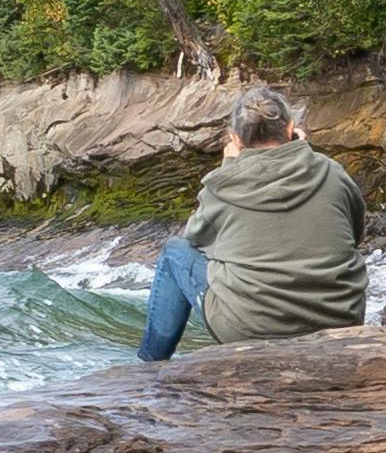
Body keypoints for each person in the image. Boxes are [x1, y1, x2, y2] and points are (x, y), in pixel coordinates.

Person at [139, 87, 370, 361]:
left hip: (251, 328)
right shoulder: (332, 172)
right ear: (291, 129)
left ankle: (149, 365)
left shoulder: (223, 185)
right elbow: (355, 234)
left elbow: (196, 237)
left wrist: (230, 168)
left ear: (235, 140)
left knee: (175, 252)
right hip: (339, 319)